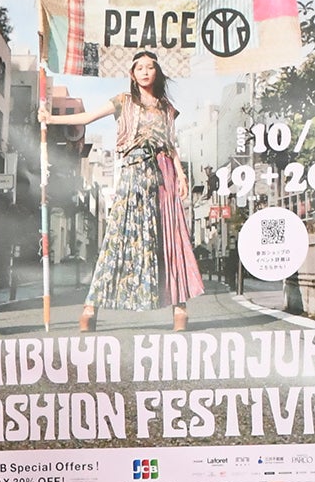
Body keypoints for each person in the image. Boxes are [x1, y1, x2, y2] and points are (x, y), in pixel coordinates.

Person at [40, 51, 203, 333]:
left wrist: (181, 173)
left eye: (149, 67)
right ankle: (90, 307)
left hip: (163, 174)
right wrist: (51, 120)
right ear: (132, 74)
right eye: (139, 68)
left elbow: (171, 144)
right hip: (133, 172)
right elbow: (88, 117)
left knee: (170, 237)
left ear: (157, 72)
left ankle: (180, 309)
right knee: (117, 238)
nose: (145, 72)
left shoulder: (166, 107)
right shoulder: (123, 100)